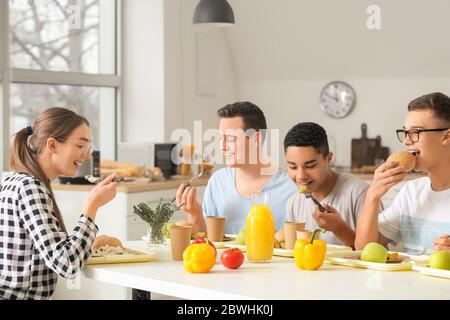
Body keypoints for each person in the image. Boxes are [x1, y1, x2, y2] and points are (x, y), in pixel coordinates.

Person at [0, 108, 119, 300]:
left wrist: (87, 242)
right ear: (52, 145)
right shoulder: (30, 187)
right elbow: (67, 264)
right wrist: (92, 205)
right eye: (81, 146)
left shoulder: (11, 180)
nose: (87, 155)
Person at [176, 102, 297, 234]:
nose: (222, 146)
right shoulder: (218, 181)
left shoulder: (291, 187)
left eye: (231, 139)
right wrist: (194, 214)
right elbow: (206, 239)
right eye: (221, 138)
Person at [355, 92, 450, 252]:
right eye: (406, 132)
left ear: (446, 136)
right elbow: (365, 249)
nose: (406, 141)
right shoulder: (411, 192)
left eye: (415, 132)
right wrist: (373, 196)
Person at [284, 122, 370, 247]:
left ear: (329, 158)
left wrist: (339, 228)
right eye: (293, 167)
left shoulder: (360, 193)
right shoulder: (294, 203)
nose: (300, 176)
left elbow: (377, 254)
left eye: (310, 166)